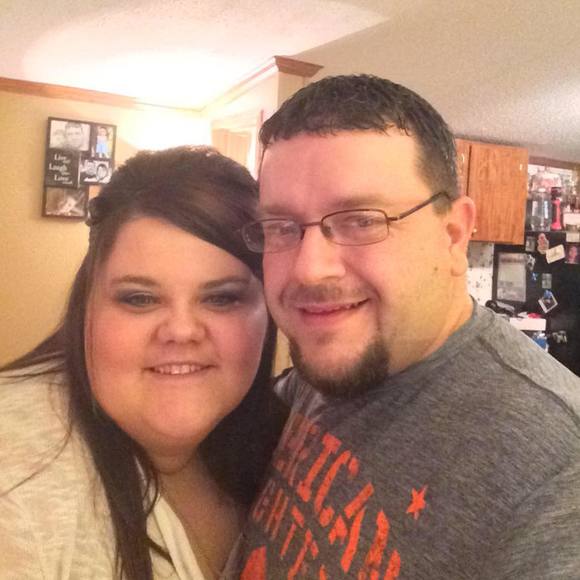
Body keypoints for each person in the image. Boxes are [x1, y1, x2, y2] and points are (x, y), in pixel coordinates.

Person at [228, 75, 580, 578]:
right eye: (282, 227)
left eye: (362, 220)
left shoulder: (557, 475)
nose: (309, 270)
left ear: (453, 235)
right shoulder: (323, 367)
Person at [0, 146, 286, 579]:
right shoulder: (16, 476)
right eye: (140, 298)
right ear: (87, 305)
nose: (182, 330)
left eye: (222, 298)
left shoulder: (289, 439)